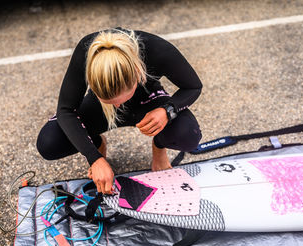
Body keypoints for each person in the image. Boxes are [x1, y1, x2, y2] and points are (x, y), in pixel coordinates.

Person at [36, 28, 202, 195]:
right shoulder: (87, 51)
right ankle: (97, 142)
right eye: (110, 102)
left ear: (138, 75)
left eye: (120, 100)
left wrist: (167, 111)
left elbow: (193, 87)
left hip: (146, 101)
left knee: (188, 135)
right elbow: (66, 110)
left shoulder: (158, 50)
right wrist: (94, 158)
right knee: (49, 143)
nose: (117, 107)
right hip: (98, 109)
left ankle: (159, 146)